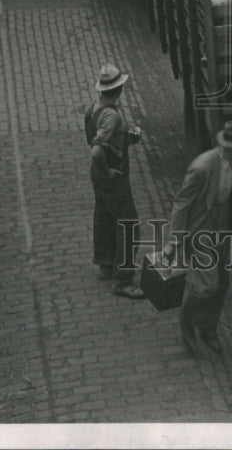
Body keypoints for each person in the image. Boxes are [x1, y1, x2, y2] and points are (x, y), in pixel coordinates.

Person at [163, 121, 232, 354]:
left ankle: (208, 330)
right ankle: (188, 331)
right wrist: (172, 241)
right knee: (204, 288)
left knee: (221, 284)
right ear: (229, 146)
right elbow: (181, 204)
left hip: (225, 230)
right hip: (201, 232)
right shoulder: (202, 167)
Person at [85, 64, 145, 300]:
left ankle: (106, 261)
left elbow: (102, 140)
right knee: (129, 226)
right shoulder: (111, 116)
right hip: (112, 177)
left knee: (104, 216)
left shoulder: (93, 109)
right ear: (118, 88)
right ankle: (123, 280)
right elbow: (97, 150)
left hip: (97, 176)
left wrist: (127, 138)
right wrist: (109, 171)